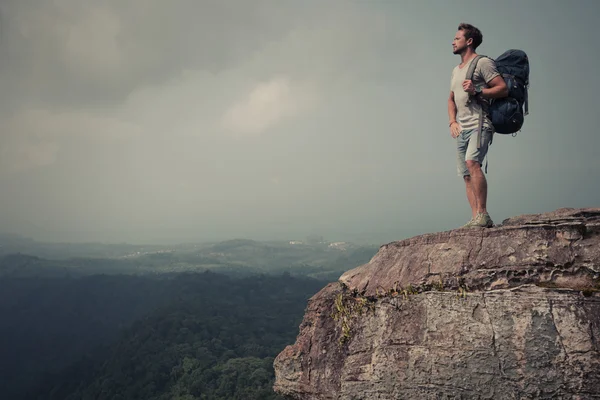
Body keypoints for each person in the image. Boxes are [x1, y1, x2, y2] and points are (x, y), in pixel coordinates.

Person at [448, 23, 508, 228]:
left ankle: (483, 214)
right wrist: (452, 122)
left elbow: (502, 88)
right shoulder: (456, 70)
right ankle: (475, 218)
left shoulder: (482, 63)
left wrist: (478, 91)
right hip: (462, 128)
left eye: (457, 38)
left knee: (473, 163)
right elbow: (451, 98)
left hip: (480, 124)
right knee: (466, 174)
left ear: (469, 41)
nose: (453, 41)